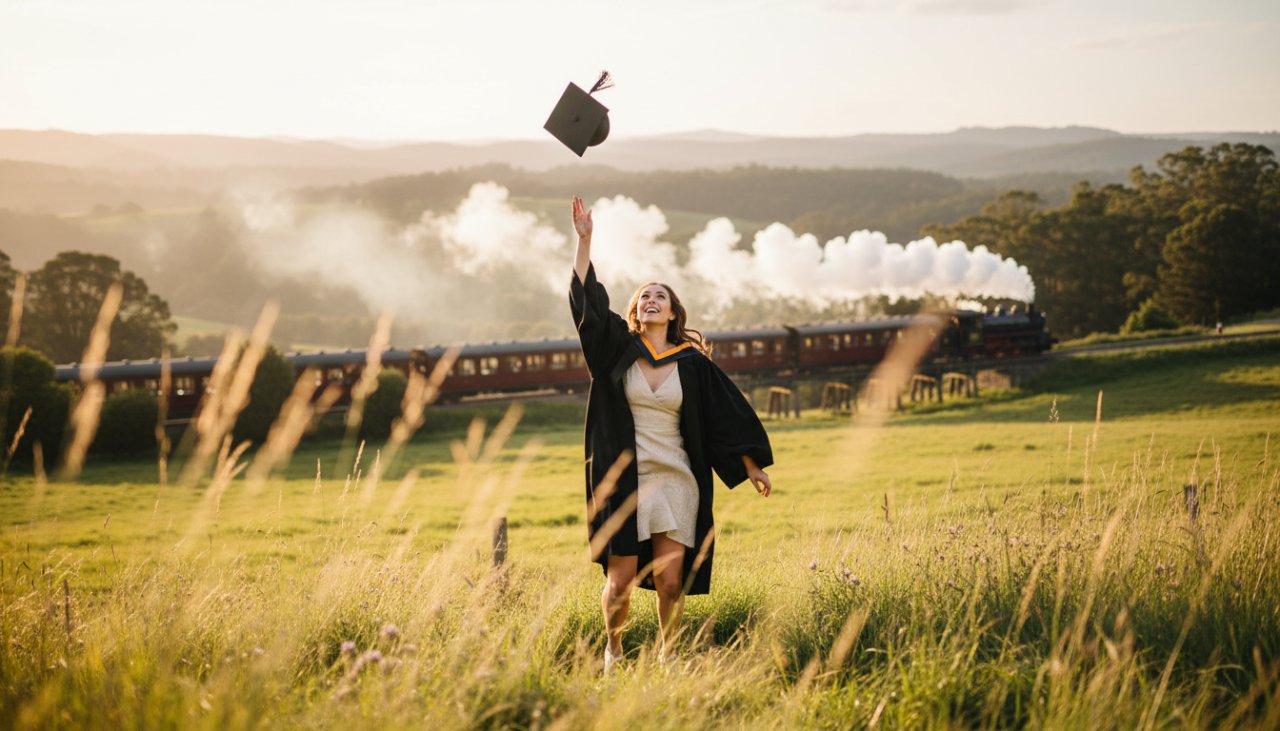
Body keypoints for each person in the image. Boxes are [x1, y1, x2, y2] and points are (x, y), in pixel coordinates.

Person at [568, 196, 774, 673]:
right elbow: (587, 307)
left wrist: (751, 465)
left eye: (660, 296)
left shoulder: (693, 364)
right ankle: (613, 650)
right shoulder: (616, 350)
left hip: (677, 477)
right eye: (645, 296)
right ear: (637, 312)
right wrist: (585, 242)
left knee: (670, 581)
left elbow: (726, 417)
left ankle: (669, 654)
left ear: (673, 311)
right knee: (618, 580)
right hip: (624, 478)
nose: (651, 300)